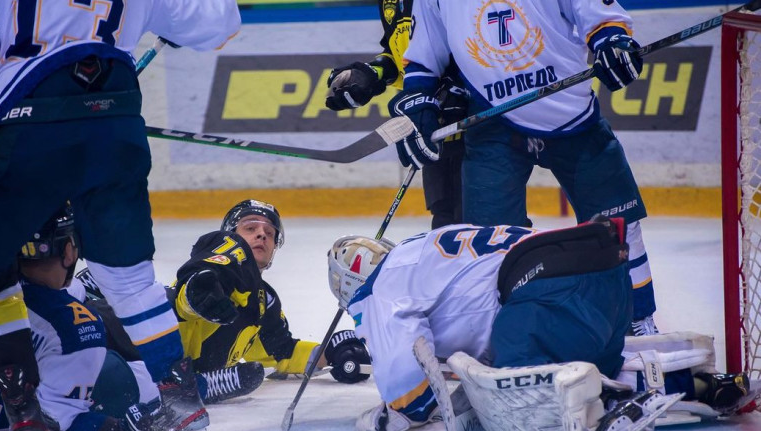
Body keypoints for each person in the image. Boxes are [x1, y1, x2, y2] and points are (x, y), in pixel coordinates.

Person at [0, 0, 241, 431]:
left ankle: (20, 397)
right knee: (129, 278)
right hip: (116, 116)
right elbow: (219, 23)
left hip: (31, 118)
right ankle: (180, 396)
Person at [327, 218, 753, 431]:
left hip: (546, 294)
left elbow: (412, 404)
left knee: (518, 376)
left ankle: (602, 408)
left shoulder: (383, 291)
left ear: (349, 289)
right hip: (607, 277)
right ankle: (700, 387)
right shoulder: (425, 247)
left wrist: (381, 419)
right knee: (590, 367)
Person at [388, 0, 659, 335]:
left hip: (573, 113)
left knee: (619, 225)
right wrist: (417, 100)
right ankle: (504, 333)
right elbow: (424, 56)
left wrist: (611, 41)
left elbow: (598, 15)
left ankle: (637, 319)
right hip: (493, 122)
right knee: (489, 242)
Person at [0, 206, 207, 431]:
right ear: (68, 250)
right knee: (119, 375)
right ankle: (206, 382)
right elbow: (53, 429)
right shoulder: (76, 324)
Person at [76, 199, 371, 386]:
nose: (261, 235)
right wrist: (199, 288)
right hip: (106, 333)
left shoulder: (263, 302)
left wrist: (331, 352)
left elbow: (283, 351)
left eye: (269, 234)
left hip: (133, 367)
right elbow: (187, 297)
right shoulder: (216, 261)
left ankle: (194, 383)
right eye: (250, 227)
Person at [325, 0, 467, 229]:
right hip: (430, 121)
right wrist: (374, 73)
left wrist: (460, 86)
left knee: (482, 223)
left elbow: (485, 40)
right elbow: (399, 51)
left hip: (475, 124)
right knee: (444, 220)